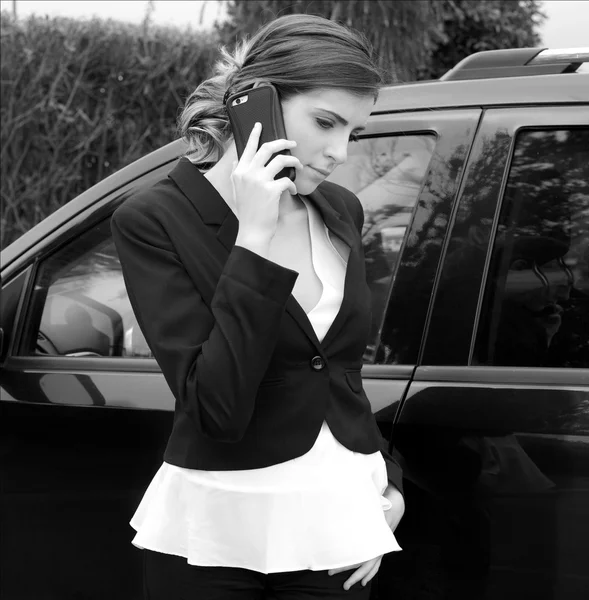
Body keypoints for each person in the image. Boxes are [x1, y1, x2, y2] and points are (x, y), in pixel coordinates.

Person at [111, 14, 405, 599]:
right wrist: (254, 237)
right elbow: (214, 406)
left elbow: (339, 370)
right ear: (256, 104)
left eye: (354, 132)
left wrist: (386, 484)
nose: (340, 152)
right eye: (325, 122)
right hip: (216, 534)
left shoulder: (340, 209)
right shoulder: (154, 219)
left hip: (336, 531)